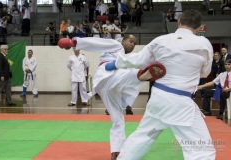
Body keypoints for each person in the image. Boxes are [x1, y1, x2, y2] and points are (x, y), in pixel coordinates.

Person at [105, 9, 215, 160]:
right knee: (202, 150)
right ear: (198, 27)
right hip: (181, 102)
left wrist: (115, 63)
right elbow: (204, 73)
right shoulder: (204, 44)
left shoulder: (161, 40)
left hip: (158, 98)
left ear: (179, 22)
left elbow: (138, 59)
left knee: (143, 137)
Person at [58, 35, 165, 160]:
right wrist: (74, 42)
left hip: (111, 87)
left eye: (134, 43)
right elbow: (98, 43)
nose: (132, 44)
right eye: (130, 41)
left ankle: (117, 151)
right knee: (129, 74)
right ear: (123, 40)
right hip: (108, 75)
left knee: (118, 119)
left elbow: (140, 59)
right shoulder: (116, 45)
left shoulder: (127, 57)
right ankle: (141, 75)